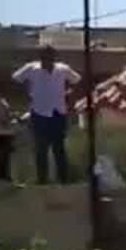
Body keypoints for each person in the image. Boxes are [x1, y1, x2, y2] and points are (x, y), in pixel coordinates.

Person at [12, 45, 79, 184]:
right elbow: (16, 79)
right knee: (40, 148)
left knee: (59, 147)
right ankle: (42, 180)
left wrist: (69, 96)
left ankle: (63, 179)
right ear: (40, 57)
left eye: (50, 57)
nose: (47, 60)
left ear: (54, 57)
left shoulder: (62, 69)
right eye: (44, 57)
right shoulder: (31, 68)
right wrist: (28, 93)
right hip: (39, 112)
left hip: (58, 112)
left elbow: (76, 80)